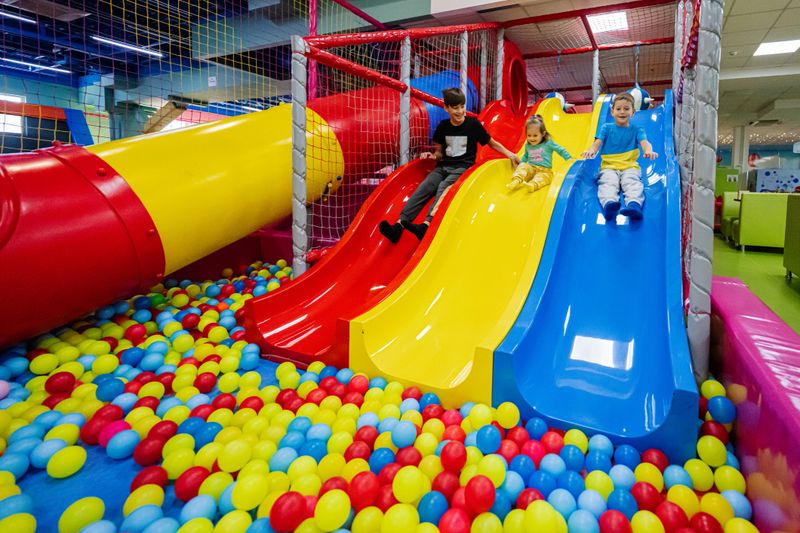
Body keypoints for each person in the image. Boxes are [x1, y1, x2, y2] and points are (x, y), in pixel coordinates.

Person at [378, 87, 520, 243]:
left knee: (443, 188)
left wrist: (510, 154)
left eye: (462, 106)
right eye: (455, 107)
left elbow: (492, 143)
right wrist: (432, 156)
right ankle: (398, 227)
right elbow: (439, 153)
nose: (460, 111)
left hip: (462, 169)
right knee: (424, 188)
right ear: (446, 108)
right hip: (442, 168)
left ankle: (426, 225)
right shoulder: (443, 127)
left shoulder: (473, 125)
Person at [581, 92, 658, 220]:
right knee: (608, 182)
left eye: (626, 109)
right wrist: (591, 150)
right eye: (618, 109)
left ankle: (634, 205)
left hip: (629, 166)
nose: (622, 112)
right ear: (612, 112)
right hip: (609, 167)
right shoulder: (606, 128)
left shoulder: (637, 129)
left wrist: (648, 150)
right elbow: (597, 143)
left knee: (632, 182)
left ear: (633, 112)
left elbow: (645, 143)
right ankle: (609, 205)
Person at [507, 114, 571, 191]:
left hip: (545, 171)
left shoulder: (548, 143)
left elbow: (561, 150)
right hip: (532, 169)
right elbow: (525, 156)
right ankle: (516, 180)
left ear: (543, 134)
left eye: (535, 135)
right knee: (523, 165)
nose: (531, 138)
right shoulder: (528, 145)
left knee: (543, 178)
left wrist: (569, 159)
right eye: (529, 135)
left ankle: (533, 185)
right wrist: (521, 165)